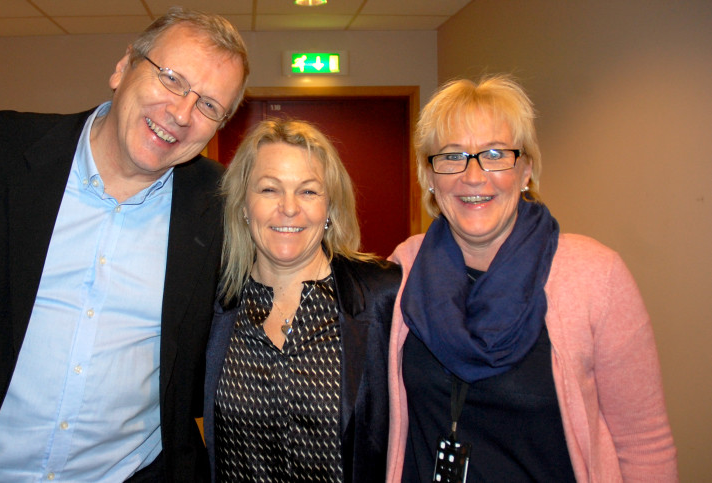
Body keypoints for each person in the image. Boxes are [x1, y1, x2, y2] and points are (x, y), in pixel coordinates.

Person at [0, 7, 249, 482]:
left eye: (209, 105)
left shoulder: (218, 205)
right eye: (172, 79)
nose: (180, 113)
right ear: (123, 67)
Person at [385, 75, 679, 482]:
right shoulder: (403, 270)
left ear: (526, 170)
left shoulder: (596, 275)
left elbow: (644, 444)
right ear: (430, 178)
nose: (473, 176)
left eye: (494, 153)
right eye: (452, 156)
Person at [203, 118, 401, 482]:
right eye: (269, 190)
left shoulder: (382, 295)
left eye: (308, 191)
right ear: (244, 207)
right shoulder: (213, 305)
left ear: (330, 209)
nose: (289, 208)